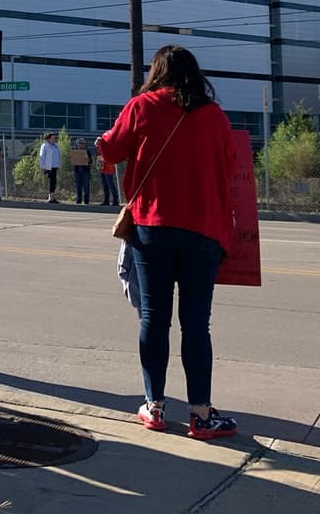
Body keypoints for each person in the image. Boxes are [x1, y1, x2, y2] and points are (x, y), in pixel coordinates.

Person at [98, 45, 238, 440]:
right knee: (196, 323)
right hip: (204, 229)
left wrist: (106, 143)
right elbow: (230, 165)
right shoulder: (215, 116)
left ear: (157, 72)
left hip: (153, 226)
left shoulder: (142, 107)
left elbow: (111, 148)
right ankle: (201, 414)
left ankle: (154, 405)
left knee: (154, 317)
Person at [39, 131, 61, 202]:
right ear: (48, 139)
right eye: (53, 138)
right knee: (50, 182)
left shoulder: (56, 146)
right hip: (48, 167)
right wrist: (43, 167)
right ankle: (50, 198)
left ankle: (52, 198)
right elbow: (42, 157)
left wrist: (58, 165)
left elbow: (58, 156)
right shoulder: (44, 146)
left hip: (54, 167)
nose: (54, 139)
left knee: (53, 182)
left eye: (55, 138)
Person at [70, 137, 91, 205]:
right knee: (78, 185)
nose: (82, 144)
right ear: (77, 144)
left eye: (83, 143)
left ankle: (86, 200)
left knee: (86, 186)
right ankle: (79, 199)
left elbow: (90, 161)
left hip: (86, 171)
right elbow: (72, 160)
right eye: (81, 143)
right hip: (77, 171)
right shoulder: (75, 151)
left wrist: (86, 157)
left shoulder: (87, 151)